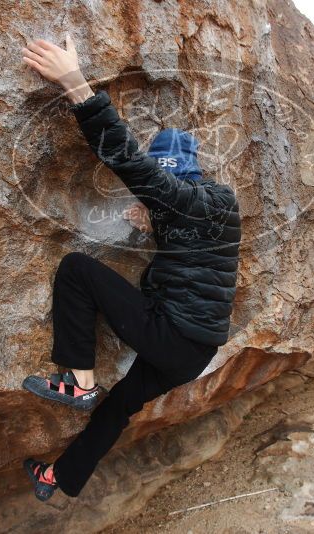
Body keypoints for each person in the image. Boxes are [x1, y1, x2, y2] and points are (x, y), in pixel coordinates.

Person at [19, 33, 242, 501]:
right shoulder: (219, 204)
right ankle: (58, 479)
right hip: (193, 352)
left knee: (77, 269)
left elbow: (124, 158)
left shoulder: (182, 200)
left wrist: (75, 83)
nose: (154, 193)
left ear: (178, 179)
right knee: (116, 409)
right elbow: (191, 244)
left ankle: (78, 383)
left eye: (162, 184)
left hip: (174, 333)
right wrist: (156, 225)